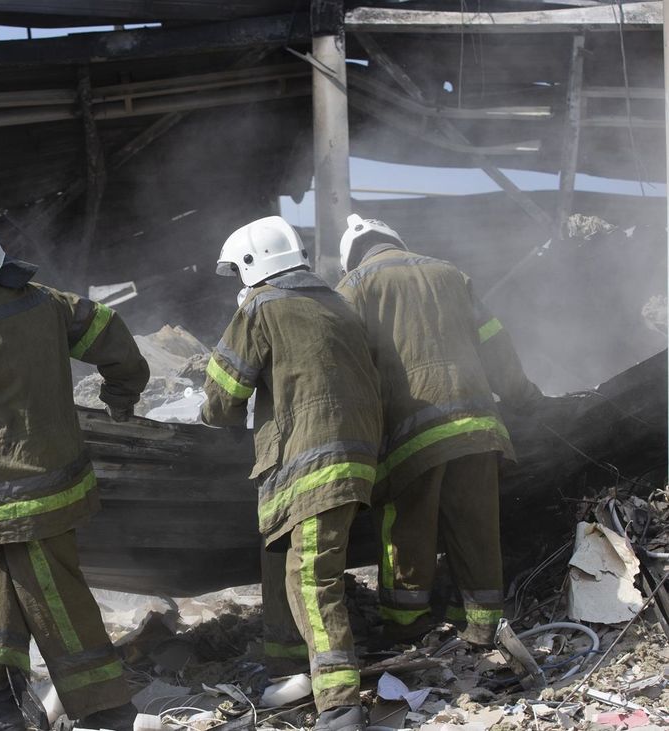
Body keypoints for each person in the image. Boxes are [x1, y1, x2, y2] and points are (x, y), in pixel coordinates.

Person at [0, 209, 150, 731]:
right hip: (39, 485)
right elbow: (108, 329)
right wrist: (122, 390)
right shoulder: (46, 301)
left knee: (53, 597)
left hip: (14, 491)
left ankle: (107, 707)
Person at [201, 215, 381, 731]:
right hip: (357, 455)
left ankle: (340, 704)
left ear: (254, 264)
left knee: (311, 579)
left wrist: (221, 418)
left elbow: (221, 396)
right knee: (291, 564)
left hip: (310, 461)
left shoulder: (262, 305)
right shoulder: (339, 305)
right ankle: (291, 667)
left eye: (239, 271)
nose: (239, 281)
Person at [335, 214, 543, 647]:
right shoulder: (451, 273)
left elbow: (341, 366)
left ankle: (405, 630)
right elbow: (494, 341)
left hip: (411, 438)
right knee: (477, 529)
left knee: (407, 534)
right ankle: (484, 628)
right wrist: (524, 397)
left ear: (350, 257)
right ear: (395, 239)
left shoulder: (355, 286)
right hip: (478, 428)